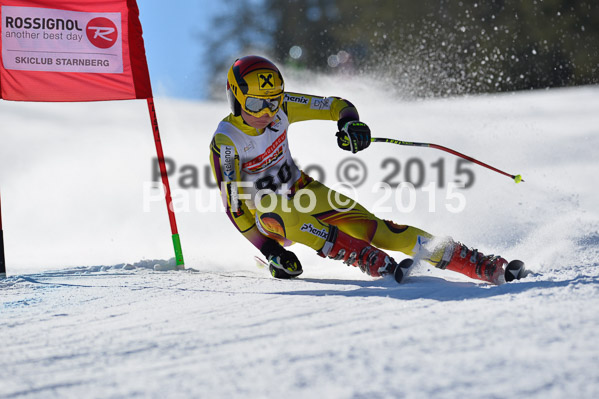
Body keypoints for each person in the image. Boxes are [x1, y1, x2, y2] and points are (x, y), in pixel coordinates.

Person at [209, 55, 526, 284]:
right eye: (255, 105)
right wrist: (270, 250)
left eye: (273, 102)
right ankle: (361, 255)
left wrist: (350, 123)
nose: (267, 112)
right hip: (267, 219)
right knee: (271, 205)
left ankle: (475, 264)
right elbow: (235, 207)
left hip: (303, 191)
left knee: (379, 229)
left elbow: (336, 105)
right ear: (235, 98)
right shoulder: (227, 143)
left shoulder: (283, 107)